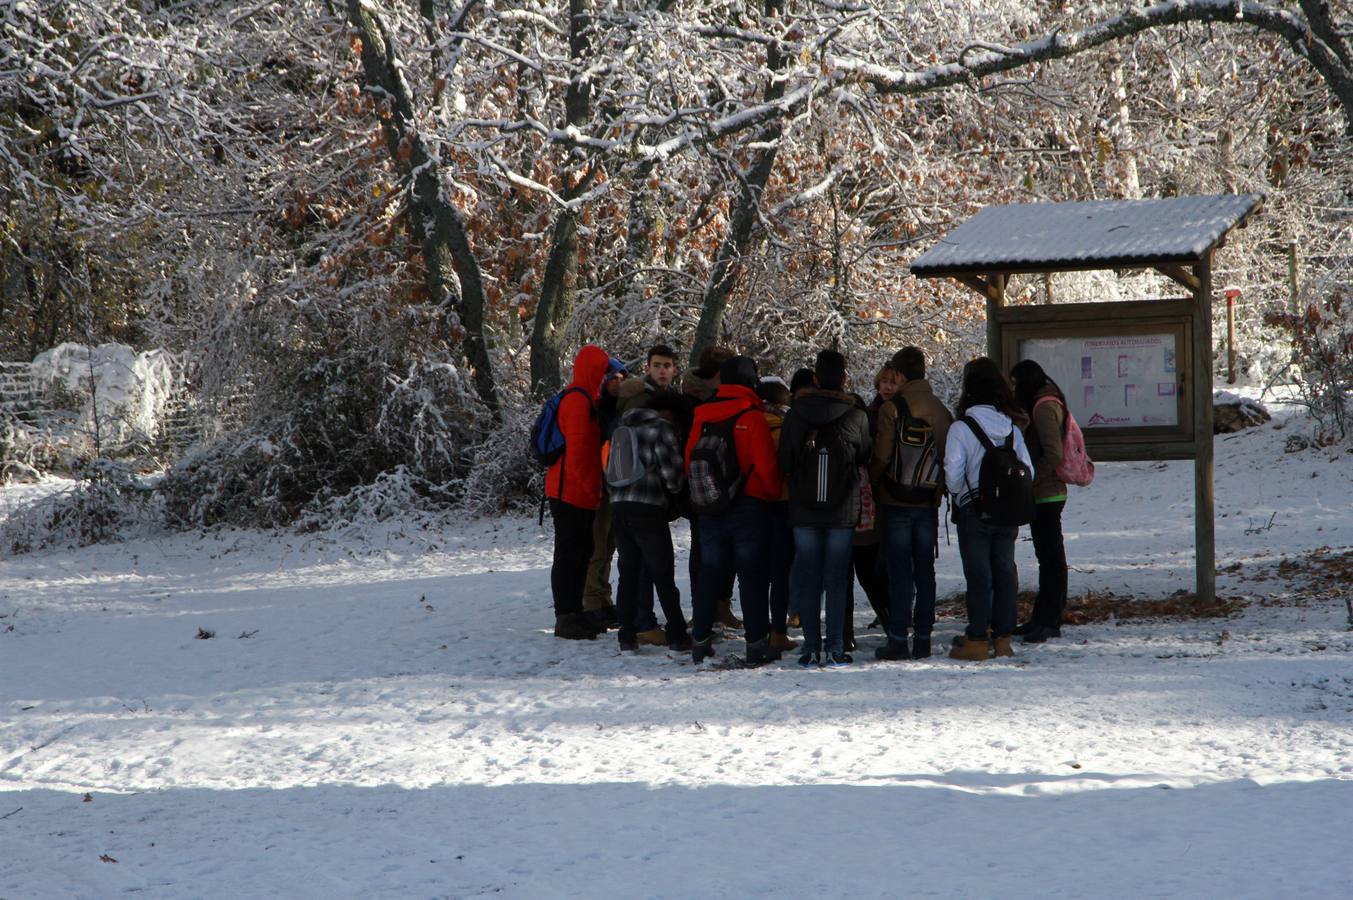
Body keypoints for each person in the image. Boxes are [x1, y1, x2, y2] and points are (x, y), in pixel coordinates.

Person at [685, 355, 784, 665]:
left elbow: (690, 457)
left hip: (711, 505)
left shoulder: (701, 413)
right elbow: (766, 466)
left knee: (709, 574)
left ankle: (700, 641)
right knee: (751, 576)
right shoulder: (751, 415)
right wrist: (768, 496)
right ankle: (755, 645)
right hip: (749, 506)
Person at [779, 349, 872, 668]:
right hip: (842, 508)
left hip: (804, 509)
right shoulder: (856, 415)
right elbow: (864, 457)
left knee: (808, 575)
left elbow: (785, 461)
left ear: (815, 379)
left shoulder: (795, 413)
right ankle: (835, 646)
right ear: (844, 378)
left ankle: (809, 647)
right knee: (836, 578)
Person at [945, 357, 1032, 661]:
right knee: (1005, 571)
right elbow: (1027, 469)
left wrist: (961, 497)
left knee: (979, 575)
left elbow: (953, 475)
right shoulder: (1010, 428)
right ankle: (1004, 638)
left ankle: (978, 638)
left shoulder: (961, 428)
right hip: (1007, 512)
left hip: (974, 511)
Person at [869, 347, 952, 661]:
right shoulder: (939, 409)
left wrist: (875, 484)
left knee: (900, 571)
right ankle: (923, 639)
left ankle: (897, 639)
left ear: (901, 375)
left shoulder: (892, 408)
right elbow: (947, 457)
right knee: (925, 571)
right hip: (926, 502)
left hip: (895, 499)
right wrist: (938, 491)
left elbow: (881, 456)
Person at [616, 344, 690, 645]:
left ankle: (627, 633)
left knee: (628, 571)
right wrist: (676, 495)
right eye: (657, 365)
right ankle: (676, 633)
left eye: (667, 365)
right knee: (662, 572)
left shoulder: (624, 423)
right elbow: (672, 475)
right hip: (649, 505)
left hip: (620, 502)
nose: (662, 370)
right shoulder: (660, 427)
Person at [546, 344, 612, 640]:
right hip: (569, 491)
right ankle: (566, 616)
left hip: (575, 490)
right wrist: (591, 490)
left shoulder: (587, 398)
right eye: (601, 369)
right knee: (569, 554)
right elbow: (578, 454)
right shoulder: (578, 401)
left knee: (581, 551)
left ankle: (576, 613)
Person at [682, 346, 743, 633]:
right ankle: (705, 608)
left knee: (718, 549)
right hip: (705, 484)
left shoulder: (699, 400)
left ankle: (719, 606)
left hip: (710, 483)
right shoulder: (692, 403)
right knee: (704, 551)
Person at [1010, 359, 1070, 644]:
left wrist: (1031, 478)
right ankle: (1043, 617)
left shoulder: (1043, 407)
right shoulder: (1043, 401)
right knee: (1047, 556)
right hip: (1045, 491)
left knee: (1051, 558)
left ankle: (1049, 619)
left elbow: (1053, 454)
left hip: (1048, 492)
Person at [580, 358, 630, 631]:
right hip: (600, 487)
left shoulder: (619, 409)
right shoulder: (597, 410)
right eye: (613, 378)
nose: (618, 383)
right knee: (598, 545)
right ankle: (591, 601)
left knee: (609, 545)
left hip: (616, 486)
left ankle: (604, 598)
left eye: (623, 378)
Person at [757, 376, 798, 653]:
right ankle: (778, 631)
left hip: (755, 504)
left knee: (758, 573)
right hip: (785, 503)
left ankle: (757, 628)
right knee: (781, 573)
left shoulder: (752, 424)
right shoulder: (789, 427)